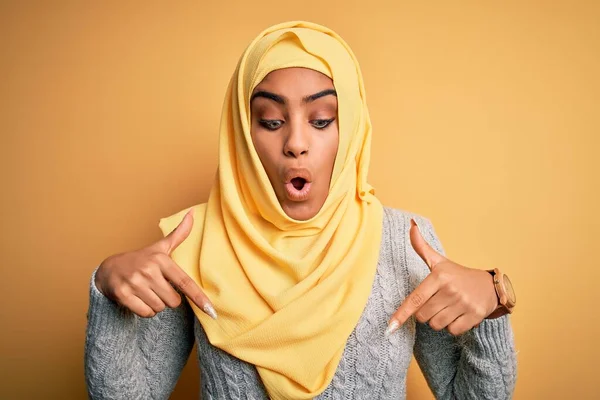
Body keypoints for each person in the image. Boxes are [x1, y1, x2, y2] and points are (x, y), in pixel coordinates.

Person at [85, 21, 517, 400]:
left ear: (350, 130)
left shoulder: (405, 240)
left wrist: (493, 299)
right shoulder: (195, 240)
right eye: (271, 121)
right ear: (241, 133)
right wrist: (106, 288)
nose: (295, 142)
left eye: (322, 119)